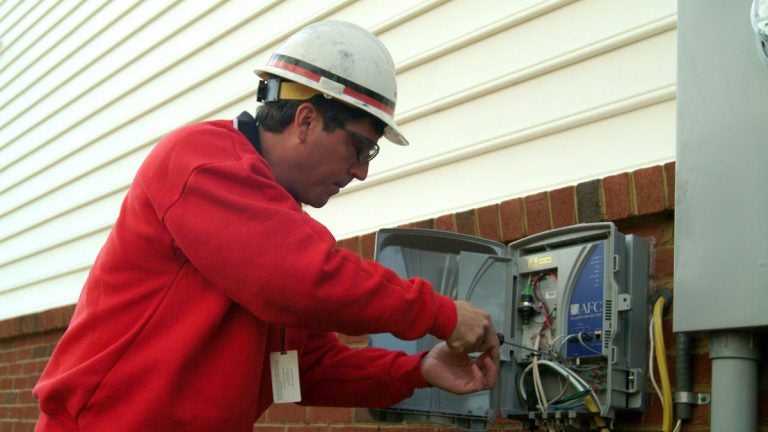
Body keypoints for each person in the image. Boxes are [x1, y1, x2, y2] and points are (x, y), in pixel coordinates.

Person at [33, 20, 500, 431]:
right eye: (360, 147)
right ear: (305, 119)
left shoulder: (275, 223)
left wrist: (418, 370)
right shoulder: (200, 161)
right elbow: (300, 279)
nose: (361, 171)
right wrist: (441, 314)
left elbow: (307, 368)